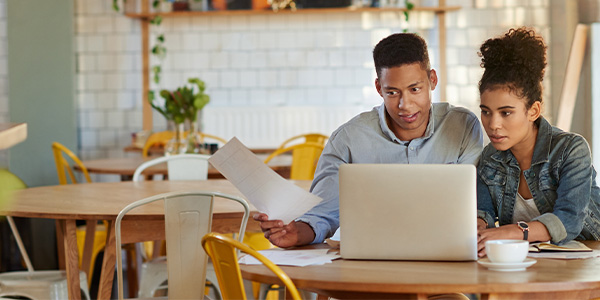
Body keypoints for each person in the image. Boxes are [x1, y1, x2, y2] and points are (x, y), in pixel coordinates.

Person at [255, 32, 484, 248]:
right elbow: (322, 214)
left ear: (432, 80)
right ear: (379, 88)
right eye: (392, 92)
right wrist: (296, 234)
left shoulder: (462, 126)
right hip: (371, 260)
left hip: (444, 252)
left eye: (415, 89)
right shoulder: (349, 139)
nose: (405, 104)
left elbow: (473, 206)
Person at [476, 27, 600, 256]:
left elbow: (569, 220)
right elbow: (483, 212)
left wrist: (511, 232)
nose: (493, 124)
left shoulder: (571, 150)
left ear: (533, 111)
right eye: (486, 111)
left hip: (588, 259)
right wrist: (478, 228)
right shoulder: (490, 158)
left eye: (505, 113)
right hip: (530, 262)